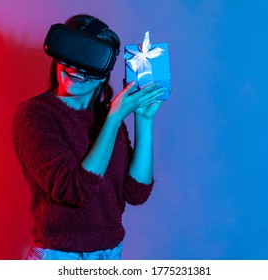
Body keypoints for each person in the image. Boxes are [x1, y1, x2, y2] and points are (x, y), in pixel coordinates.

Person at [12, 14, 167, 260]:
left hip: (109, 255)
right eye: (72, 54)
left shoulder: (107, 116)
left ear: (104, 72)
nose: (77, 69)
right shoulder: (35, 115)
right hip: (59, 257)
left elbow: (136, 192)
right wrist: (114, 119)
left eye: (89, 59)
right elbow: (75, 191)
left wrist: (143, 120)